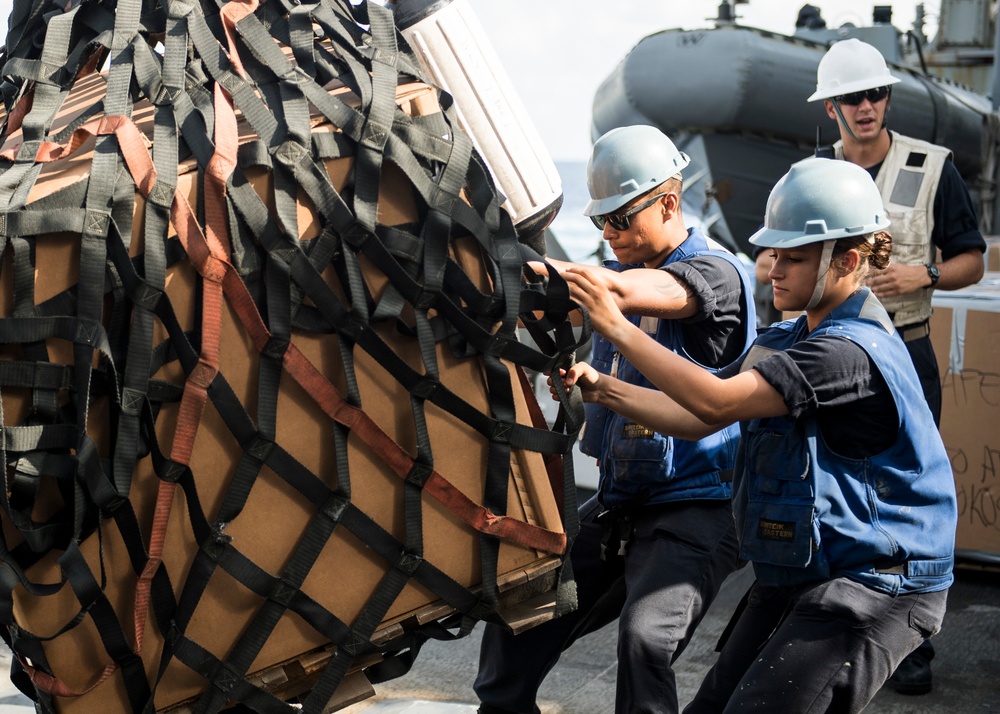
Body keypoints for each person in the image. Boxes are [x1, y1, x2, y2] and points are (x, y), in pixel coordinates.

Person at [556, 156, 957, 714]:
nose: (775, 270)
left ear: (850, 260)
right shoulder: (789, 336)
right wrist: (602, 389)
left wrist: (616, 326)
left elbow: (715, 402)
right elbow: (699, 412)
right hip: (810, 568)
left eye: (795, 258)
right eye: (773, 254)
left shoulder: (846, 353)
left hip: (876, 583)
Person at [473, 124, 757, 714]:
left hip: (699, 506)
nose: (608, 233)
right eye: (601, 221)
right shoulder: (620, 273)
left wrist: (577, 279)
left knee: (645, 642)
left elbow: (642, 292)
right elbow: (571, 293)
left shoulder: (717, 275)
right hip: (623, 499)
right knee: (520, 604)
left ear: (670, 203)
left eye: (621, 219)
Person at [808, 37, 985, 695]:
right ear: (832, 108)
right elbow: (776, 261)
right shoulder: (814, 174)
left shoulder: (933, 169)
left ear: (888, 99)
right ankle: (840, 622)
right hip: (833, 352)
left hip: (905, 354)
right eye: (852, 97)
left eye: (876, 93)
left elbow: (973, 259)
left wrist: (925, 273)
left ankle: (909, 643)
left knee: (907, 495)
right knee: (838, 487)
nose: (866, 106)